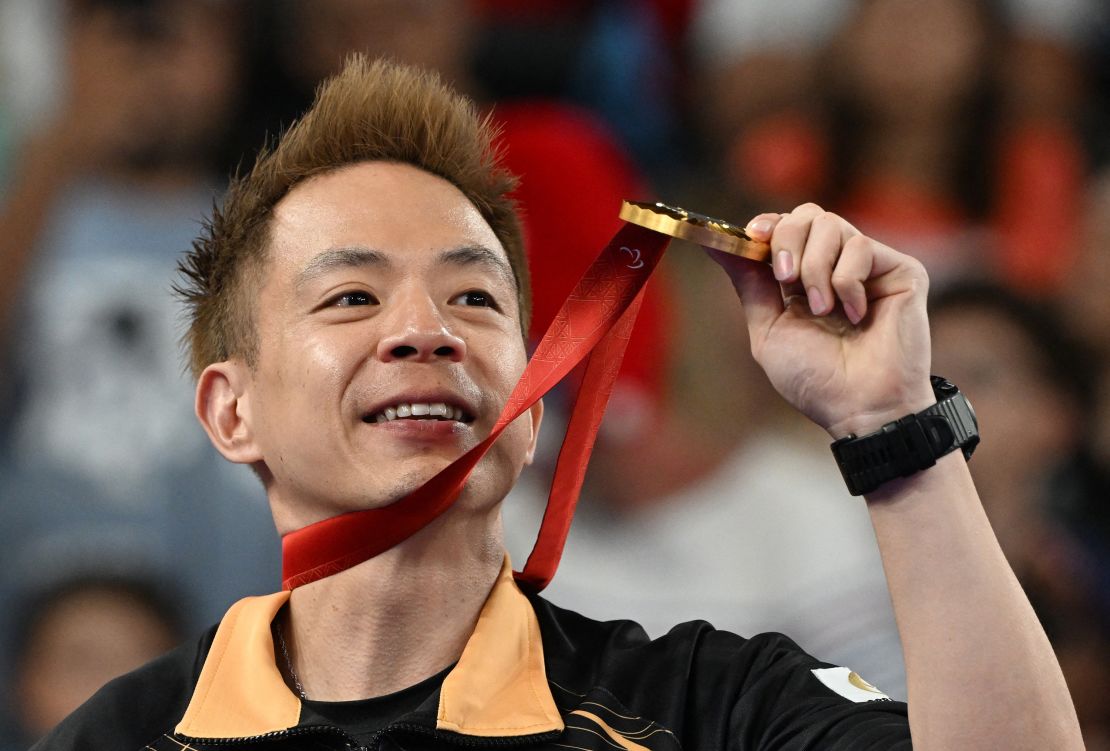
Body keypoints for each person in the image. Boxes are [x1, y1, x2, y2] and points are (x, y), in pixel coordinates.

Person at [34, 56, 1082, 750]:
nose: (425, 329)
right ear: (229, 411)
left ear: (530, 407)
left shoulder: (703, 708)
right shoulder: (118, 736)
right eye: (352, 294)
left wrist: (893, 425)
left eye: (475, 296)